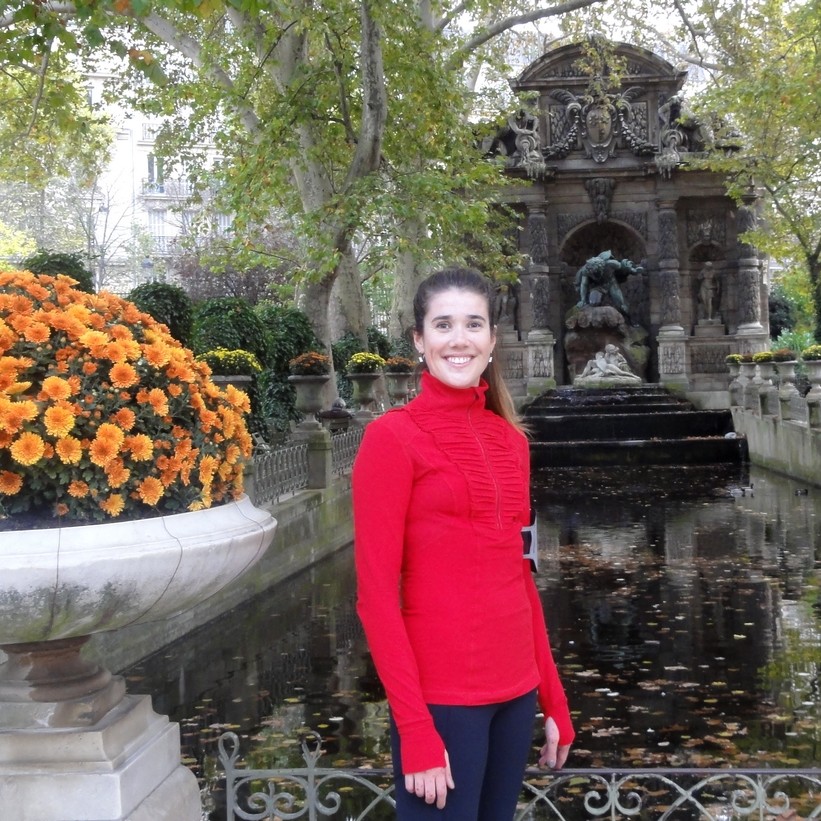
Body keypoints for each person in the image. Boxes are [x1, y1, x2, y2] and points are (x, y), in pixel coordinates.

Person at [352, 267, 574, 819]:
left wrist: (554, 698)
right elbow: (376, 599)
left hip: (516, 694)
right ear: (419, 339)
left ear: (493, 339)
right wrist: (415, 729)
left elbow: (520, 576)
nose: (459, 339)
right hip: (443, 702)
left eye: (473, 324)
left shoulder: (512, 441)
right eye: (443, 324)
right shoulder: (391, 439)